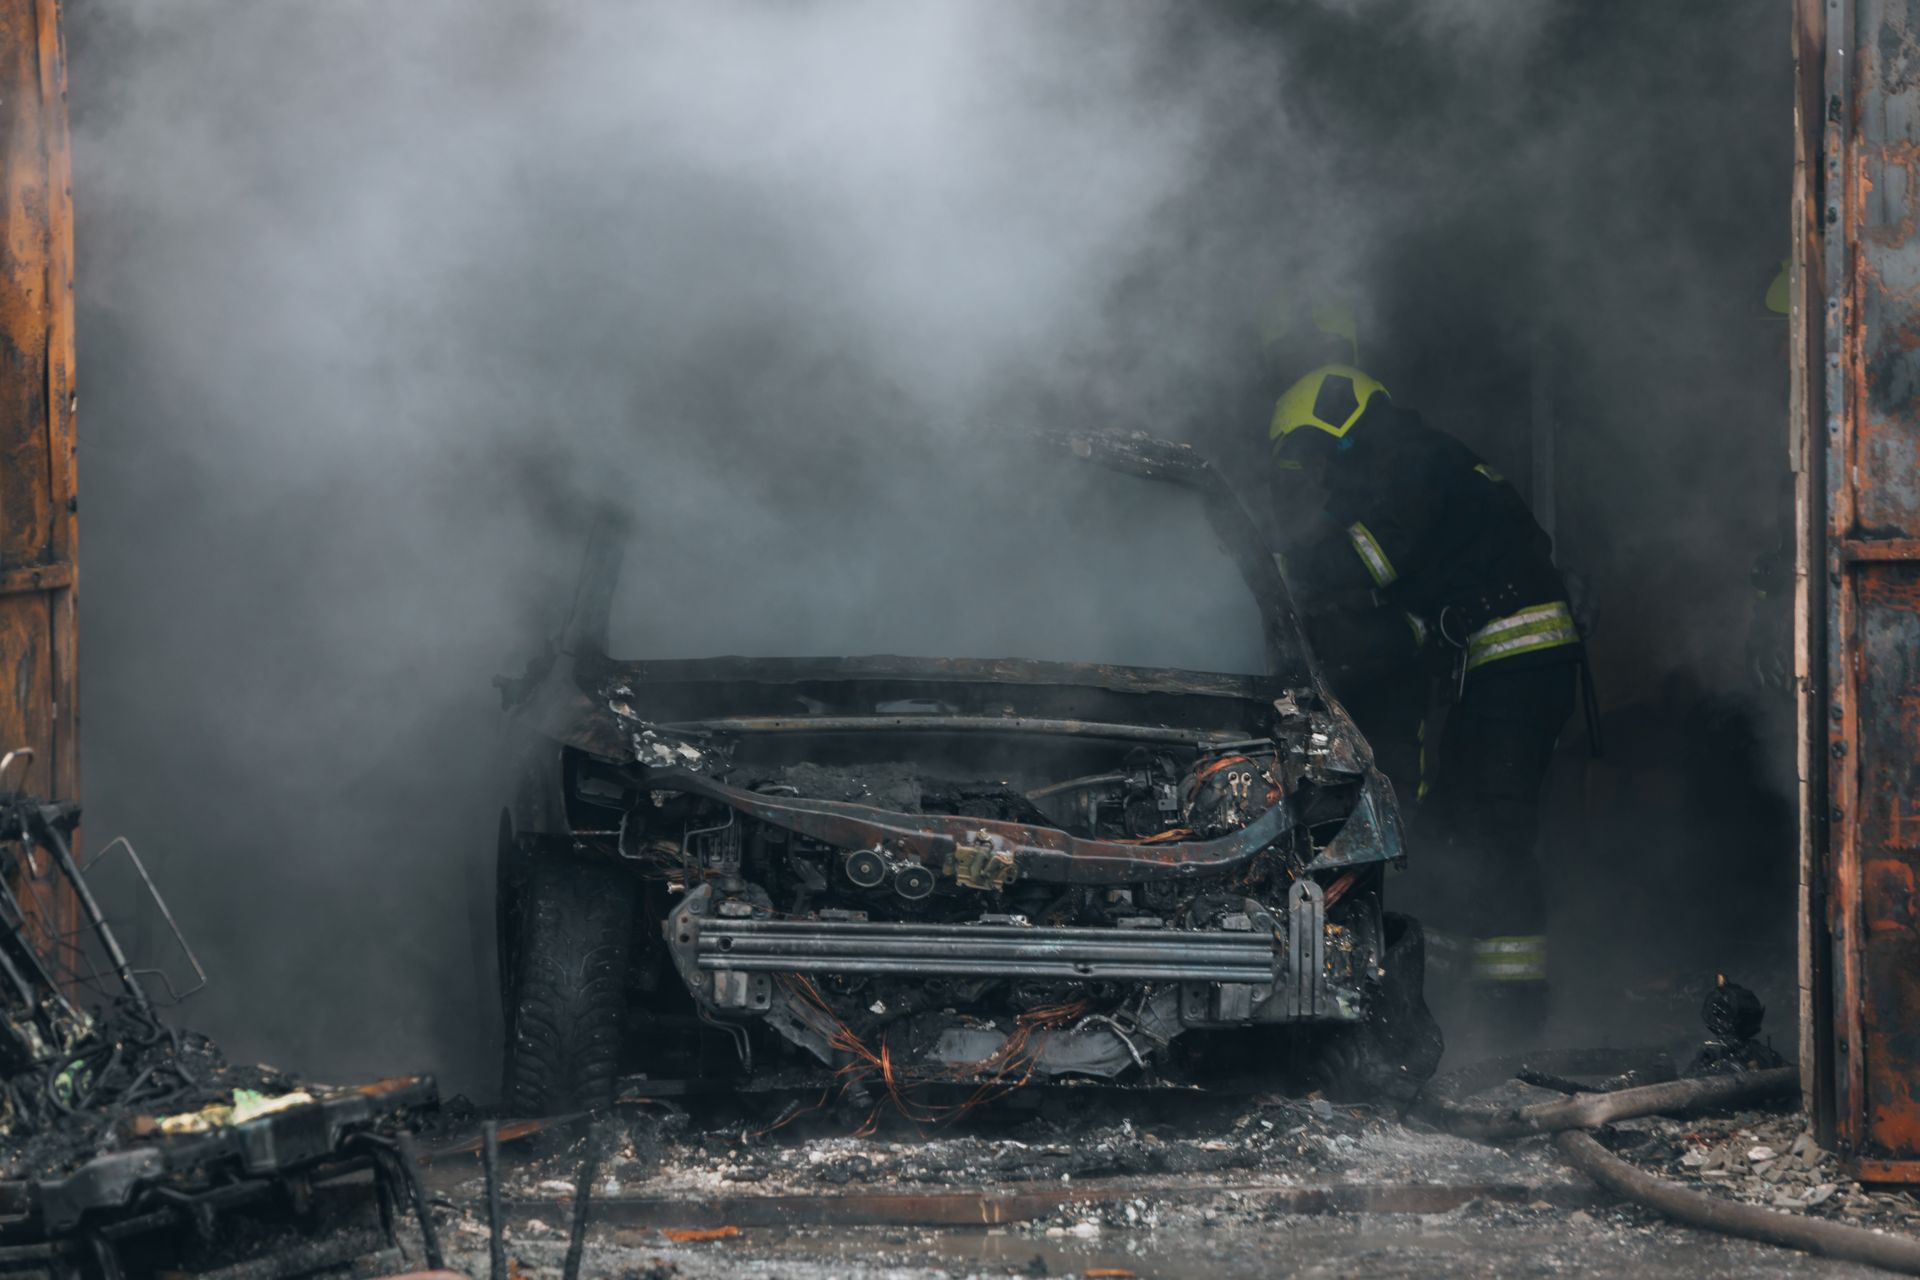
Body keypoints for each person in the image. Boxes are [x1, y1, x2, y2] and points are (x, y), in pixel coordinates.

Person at [1269, 365, 1581, 1045]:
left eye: (1315, 455)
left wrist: (1276, 568)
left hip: (1518, 653)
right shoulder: (1418, 463)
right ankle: (1445, 1005)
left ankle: (1512, 1012)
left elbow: (1367, 558)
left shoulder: (1410, 463)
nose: (1318, 477)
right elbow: (1405, 612)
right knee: (1455, 824)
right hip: (1497, 659)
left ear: (1338, 424)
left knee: (1492, 826)